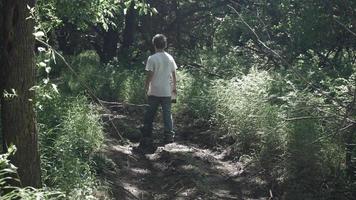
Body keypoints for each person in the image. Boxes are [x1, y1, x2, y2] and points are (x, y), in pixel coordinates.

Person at [135, 34, 177, 154]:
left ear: (154, 44)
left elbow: (150, 75)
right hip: (166, 91)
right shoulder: (170, 58)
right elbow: (174, 75)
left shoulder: (152, 58)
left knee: (150, 114)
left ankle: (147, 135)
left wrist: (145, 87)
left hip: (154, 91)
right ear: (165, 45)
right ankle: (169, 136)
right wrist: (174, 88)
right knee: (167, 114)